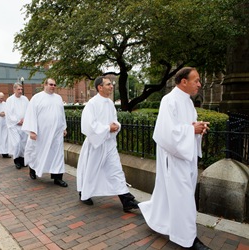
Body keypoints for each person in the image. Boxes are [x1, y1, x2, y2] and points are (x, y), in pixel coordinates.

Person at [138, 67, 211, 250]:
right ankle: (188, 239)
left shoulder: (187, 102)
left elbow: (185, 126)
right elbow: (165, 133)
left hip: (187, 157)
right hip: (175, 158)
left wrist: (198, 128)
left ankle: (157, 219)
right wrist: (190, 130)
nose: (199, 84)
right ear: (184, 81)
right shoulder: (168, 100)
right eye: (196, 80)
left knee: (176, 195)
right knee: (183, 197)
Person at [76, 76, 139, 211]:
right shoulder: (92, 104)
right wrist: (107, 128)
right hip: (96, 144)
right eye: (108, 84)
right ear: (100, 87)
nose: (111, 86)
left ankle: (126, 200)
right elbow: (88, 126)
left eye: (111, 84)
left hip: (109, 144)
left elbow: (114, 120)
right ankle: (84, 193)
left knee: (116, 170)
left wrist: (116, 126)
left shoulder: (110, 103)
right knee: (91, 171)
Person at [22, 78, 68, 187]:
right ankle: (32, 169)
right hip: (41, 133)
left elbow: (61, 114)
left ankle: (57, 178)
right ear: (45, 85)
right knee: (37, 153)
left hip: (56, 134)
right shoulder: (37, 98)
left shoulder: (58, 98)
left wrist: (63, 128)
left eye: (54, 85)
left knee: (57, 155)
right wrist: (32, 131)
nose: (53, 86)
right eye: (51, 84)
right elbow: (30, 114)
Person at [5, 82, 29, 169]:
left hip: (24, 125)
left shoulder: (25, 99)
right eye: (18, 89)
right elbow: (9, 114)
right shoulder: (10, 100)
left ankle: (22, 160)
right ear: (14, 89)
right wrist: (17, 121)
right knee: (17, 143)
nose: (20, 91)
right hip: (14, 126)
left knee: (23, 143)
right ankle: (16, 160)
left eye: (21, 89)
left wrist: (25, 120)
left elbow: (29, 110)